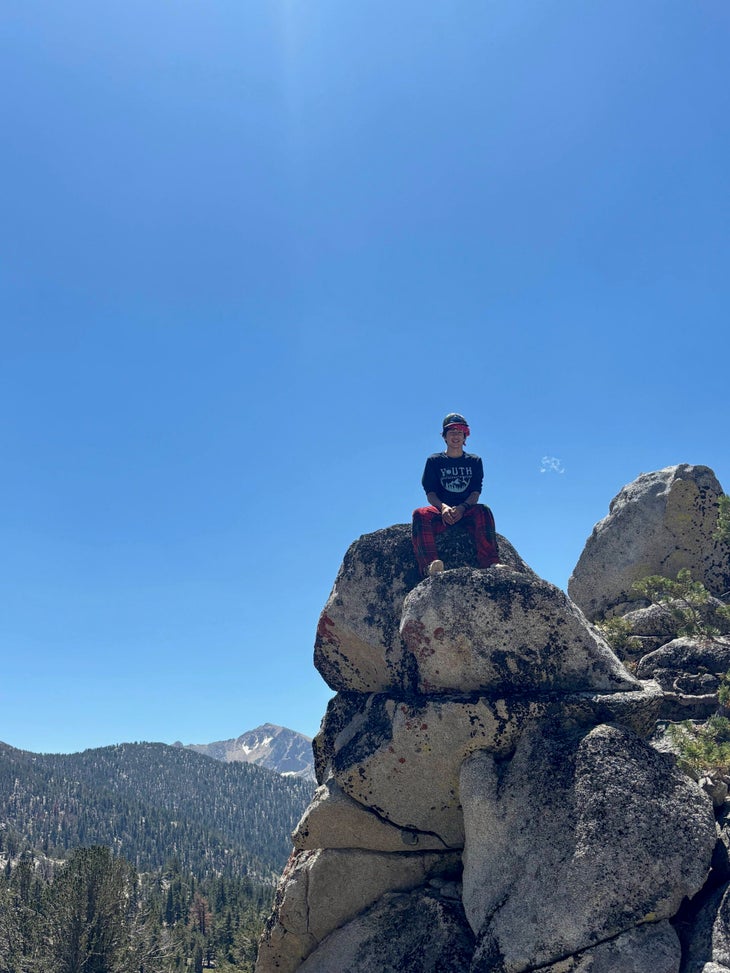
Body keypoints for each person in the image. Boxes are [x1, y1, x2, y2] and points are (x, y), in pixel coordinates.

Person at [412, 412, 500, 577]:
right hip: (441, 513)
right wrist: (443, 507)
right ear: (444, 436)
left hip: (466, 511)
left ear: (465, 435)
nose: (456, 435)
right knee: (420, 514)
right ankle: (430, 565)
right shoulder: (434, 461)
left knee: (484, 511)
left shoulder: (474, 461)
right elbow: (430, 492)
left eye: (460, 432)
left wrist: (462, 507)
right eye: (451, 431)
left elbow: (475, 492)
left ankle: (490, 562)